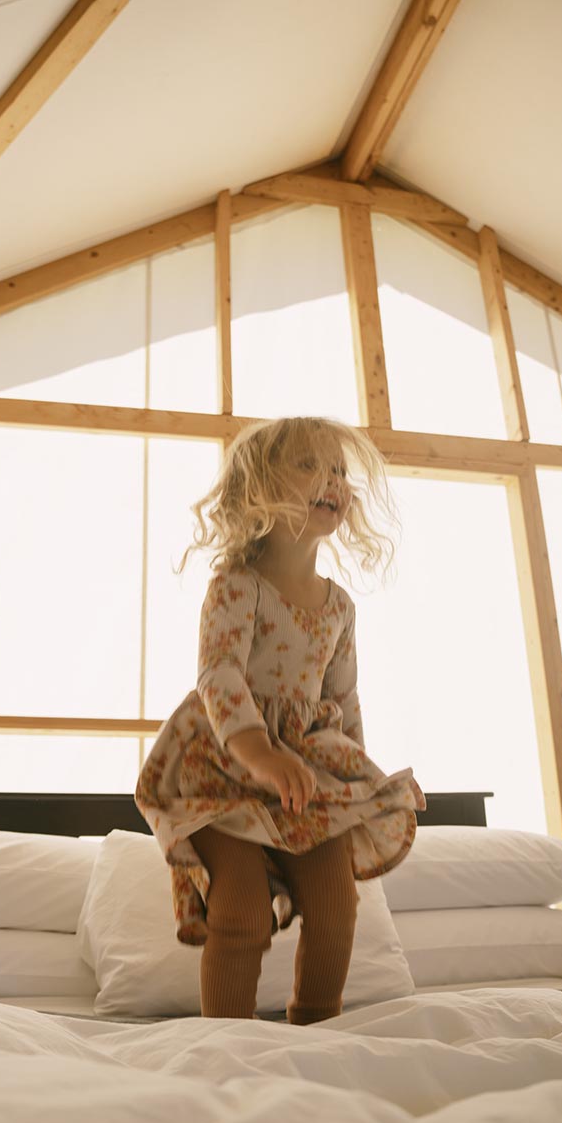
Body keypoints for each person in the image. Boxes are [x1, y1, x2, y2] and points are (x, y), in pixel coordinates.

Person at [135, 415, 425, 1025]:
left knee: (336, 904)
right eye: (310, 465)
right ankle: (228, 1042)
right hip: (222, 770)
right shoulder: (237, 586)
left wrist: (360, 787)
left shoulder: (340, 606)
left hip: (306, 777)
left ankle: (314, 1031)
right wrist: (260, 752)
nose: (333, 481)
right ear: (258, 484)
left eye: (341, 471)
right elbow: (219, 675)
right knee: (240, 909)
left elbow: (344, 704)